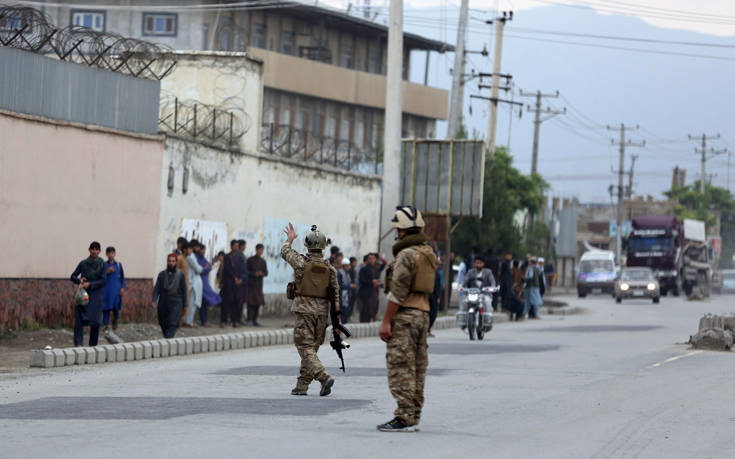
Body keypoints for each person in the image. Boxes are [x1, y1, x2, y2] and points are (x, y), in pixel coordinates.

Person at [378, 206, 437, 432]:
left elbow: (398, 292)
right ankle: (413, 414)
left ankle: (404, 416)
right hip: (423, 314)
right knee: (417, 366)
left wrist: (386, 321)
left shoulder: (406, 255)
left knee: (401, 366)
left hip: (405, 315)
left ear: (401, 231)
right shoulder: (428, 254)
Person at [281, 223, 340, 397]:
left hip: (304, 311)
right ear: (323, 246)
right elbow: (336, 296)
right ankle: (302, 385)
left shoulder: (301, 263)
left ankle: (323, 377)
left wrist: (290, 239)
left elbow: (285, 251)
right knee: (311, 349)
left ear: (307, 244)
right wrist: (337, 320)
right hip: (322, 313)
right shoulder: (331, 269)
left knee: (304, 347)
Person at [70, 241, 107, 347]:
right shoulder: (83, 263)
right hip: (83, 296)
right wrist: (79, 281)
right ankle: (78, 345)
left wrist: (90, 284)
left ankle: (92, 347)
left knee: (95, 323)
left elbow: (103, 280)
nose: (94, 251)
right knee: (79, 321)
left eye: (96, 249)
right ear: (89, 250)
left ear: (99, 251)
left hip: (96, 296)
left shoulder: (103, 265)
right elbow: (72, 276)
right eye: (92, 249)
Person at [152, 253, 187, 338]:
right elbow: (157, 288)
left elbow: (184, 290)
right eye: (169, 261)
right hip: (163, 302)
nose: (171, 263)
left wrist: (185, 305)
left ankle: (168, 342)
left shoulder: (181, 275)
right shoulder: (162, 274)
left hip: (176, 303)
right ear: (167, 262)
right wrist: (154, 299)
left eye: (173, 261)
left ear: (176, 262)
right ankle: (168, 342)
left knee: (172, 324)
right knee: (164, 325)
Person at [221, 240, 246, 328]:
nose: (236, 247)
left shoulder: (240, 257)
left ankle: (235, 321)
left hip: (238, 285)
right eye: (235, 245)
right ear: (231, 246)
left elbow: (243, 269)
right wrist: (234, 278)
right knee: (227, 302)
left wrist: (240, 279)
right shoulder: (227, 257)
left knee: (236, 303)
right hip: (229, 283)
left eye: (237, 246)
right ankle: (223, 321)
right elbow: (227, 269)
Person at [102, 246, 125, 332]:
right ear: (106, 254)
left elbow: (122, 277)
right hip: (106, 290)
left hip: (116, 291)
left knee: (116, 306)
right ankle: (106, 325)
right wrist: (107, 272)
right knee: (106, 308)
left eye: (112, 253)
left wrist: (122, 287)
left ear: (115, 254)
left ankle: (115, 320)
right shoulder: (104, 265)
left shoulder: (118, 265)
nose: (111, 255)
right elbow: (100, 276)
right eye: (109, 253)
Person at [198, 244, 221, 327]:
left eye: (204, 250)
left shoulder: (203, 258)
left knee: (204, 302)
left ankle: (204, 321)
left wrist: (205, 268)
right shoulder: (196, 258)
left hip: (204, 282)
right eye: (202, 250)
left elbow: (209, 266)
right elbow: (200, 269)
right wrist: (205, 268)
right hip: (199, 283)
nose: (204, 252)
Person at [246, 243, 268, 326]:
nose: (260, 251)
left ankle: (255, 320)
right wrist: (254, 273)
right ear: (256, 250)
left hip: (259, 286)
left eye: (262, 250)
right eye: (259, 249)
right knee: (250, 303)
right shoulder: (250, 260)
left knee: (257, 303)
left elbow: (266, 273)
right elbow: (246, 271)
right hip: (251, 285)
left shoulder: (263, 261)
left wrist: (261, 273)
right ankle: (249, 320)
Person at [184, 239, 204, 328]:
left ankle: (189, 321)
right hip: (192, 283)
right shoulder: (190, 257)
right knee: (191, 303)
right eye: (197, 247)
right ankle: (188, 322)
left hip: (193, 282)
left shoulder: (192, 256)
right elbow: (198, 269)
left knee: (192, 303)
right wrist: (201, 269)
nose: (198, 249)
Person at [358, 253, 380, 323]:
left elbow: (377, 278)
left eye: (373, 258)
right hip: (365, 294)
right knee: (365, 312)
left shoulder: (376, 269)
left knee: (373, 310)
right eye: (370, 258)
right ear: (367, 260)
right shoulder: (364, 269)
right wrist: (371, 281)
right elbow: (361, 280)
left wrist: (378, 282)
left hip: (374, 293)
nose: (372, 260)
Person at [234, 239, 249, 326]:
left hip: (243, 282)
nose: (245, 247)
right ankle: (236, 320)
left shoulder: (241, 255)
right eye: (244, 245)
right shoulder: (239, 255)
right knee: (238, 302)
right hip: (239, 282)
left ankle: (238, 320)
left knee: (241, 302)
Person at [176, 240, 191, 326]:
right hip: (180, 287)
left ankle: (179, 324)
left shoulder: (186, 259)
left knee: (185, 306)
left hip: (185, 286)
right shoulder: (179, 259)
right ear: (185, 250)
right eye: (189, 249)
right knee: (179, 306)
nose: (191, 251)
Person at [339, 258, 353, 323]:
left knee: (346, 313)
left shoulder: (347, 273)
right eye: (347, 266)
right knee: (342, 314)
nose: (349, 267)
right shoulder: (340, 274)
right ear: (343, 266)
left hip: (347, 297)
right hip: (342, 297)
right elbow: (340, 286)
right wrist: (349, 286)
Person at [348, 256, 358, 321]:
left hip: (354, 290)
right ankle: (349, 316)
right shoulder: (350, 270)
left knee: (352, 304)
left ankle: (350, 316)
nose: (356, 264)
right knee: (350, 304)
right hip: (351, 290)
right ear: (351, 263)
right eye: (355, 262)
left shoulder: (353, 270)